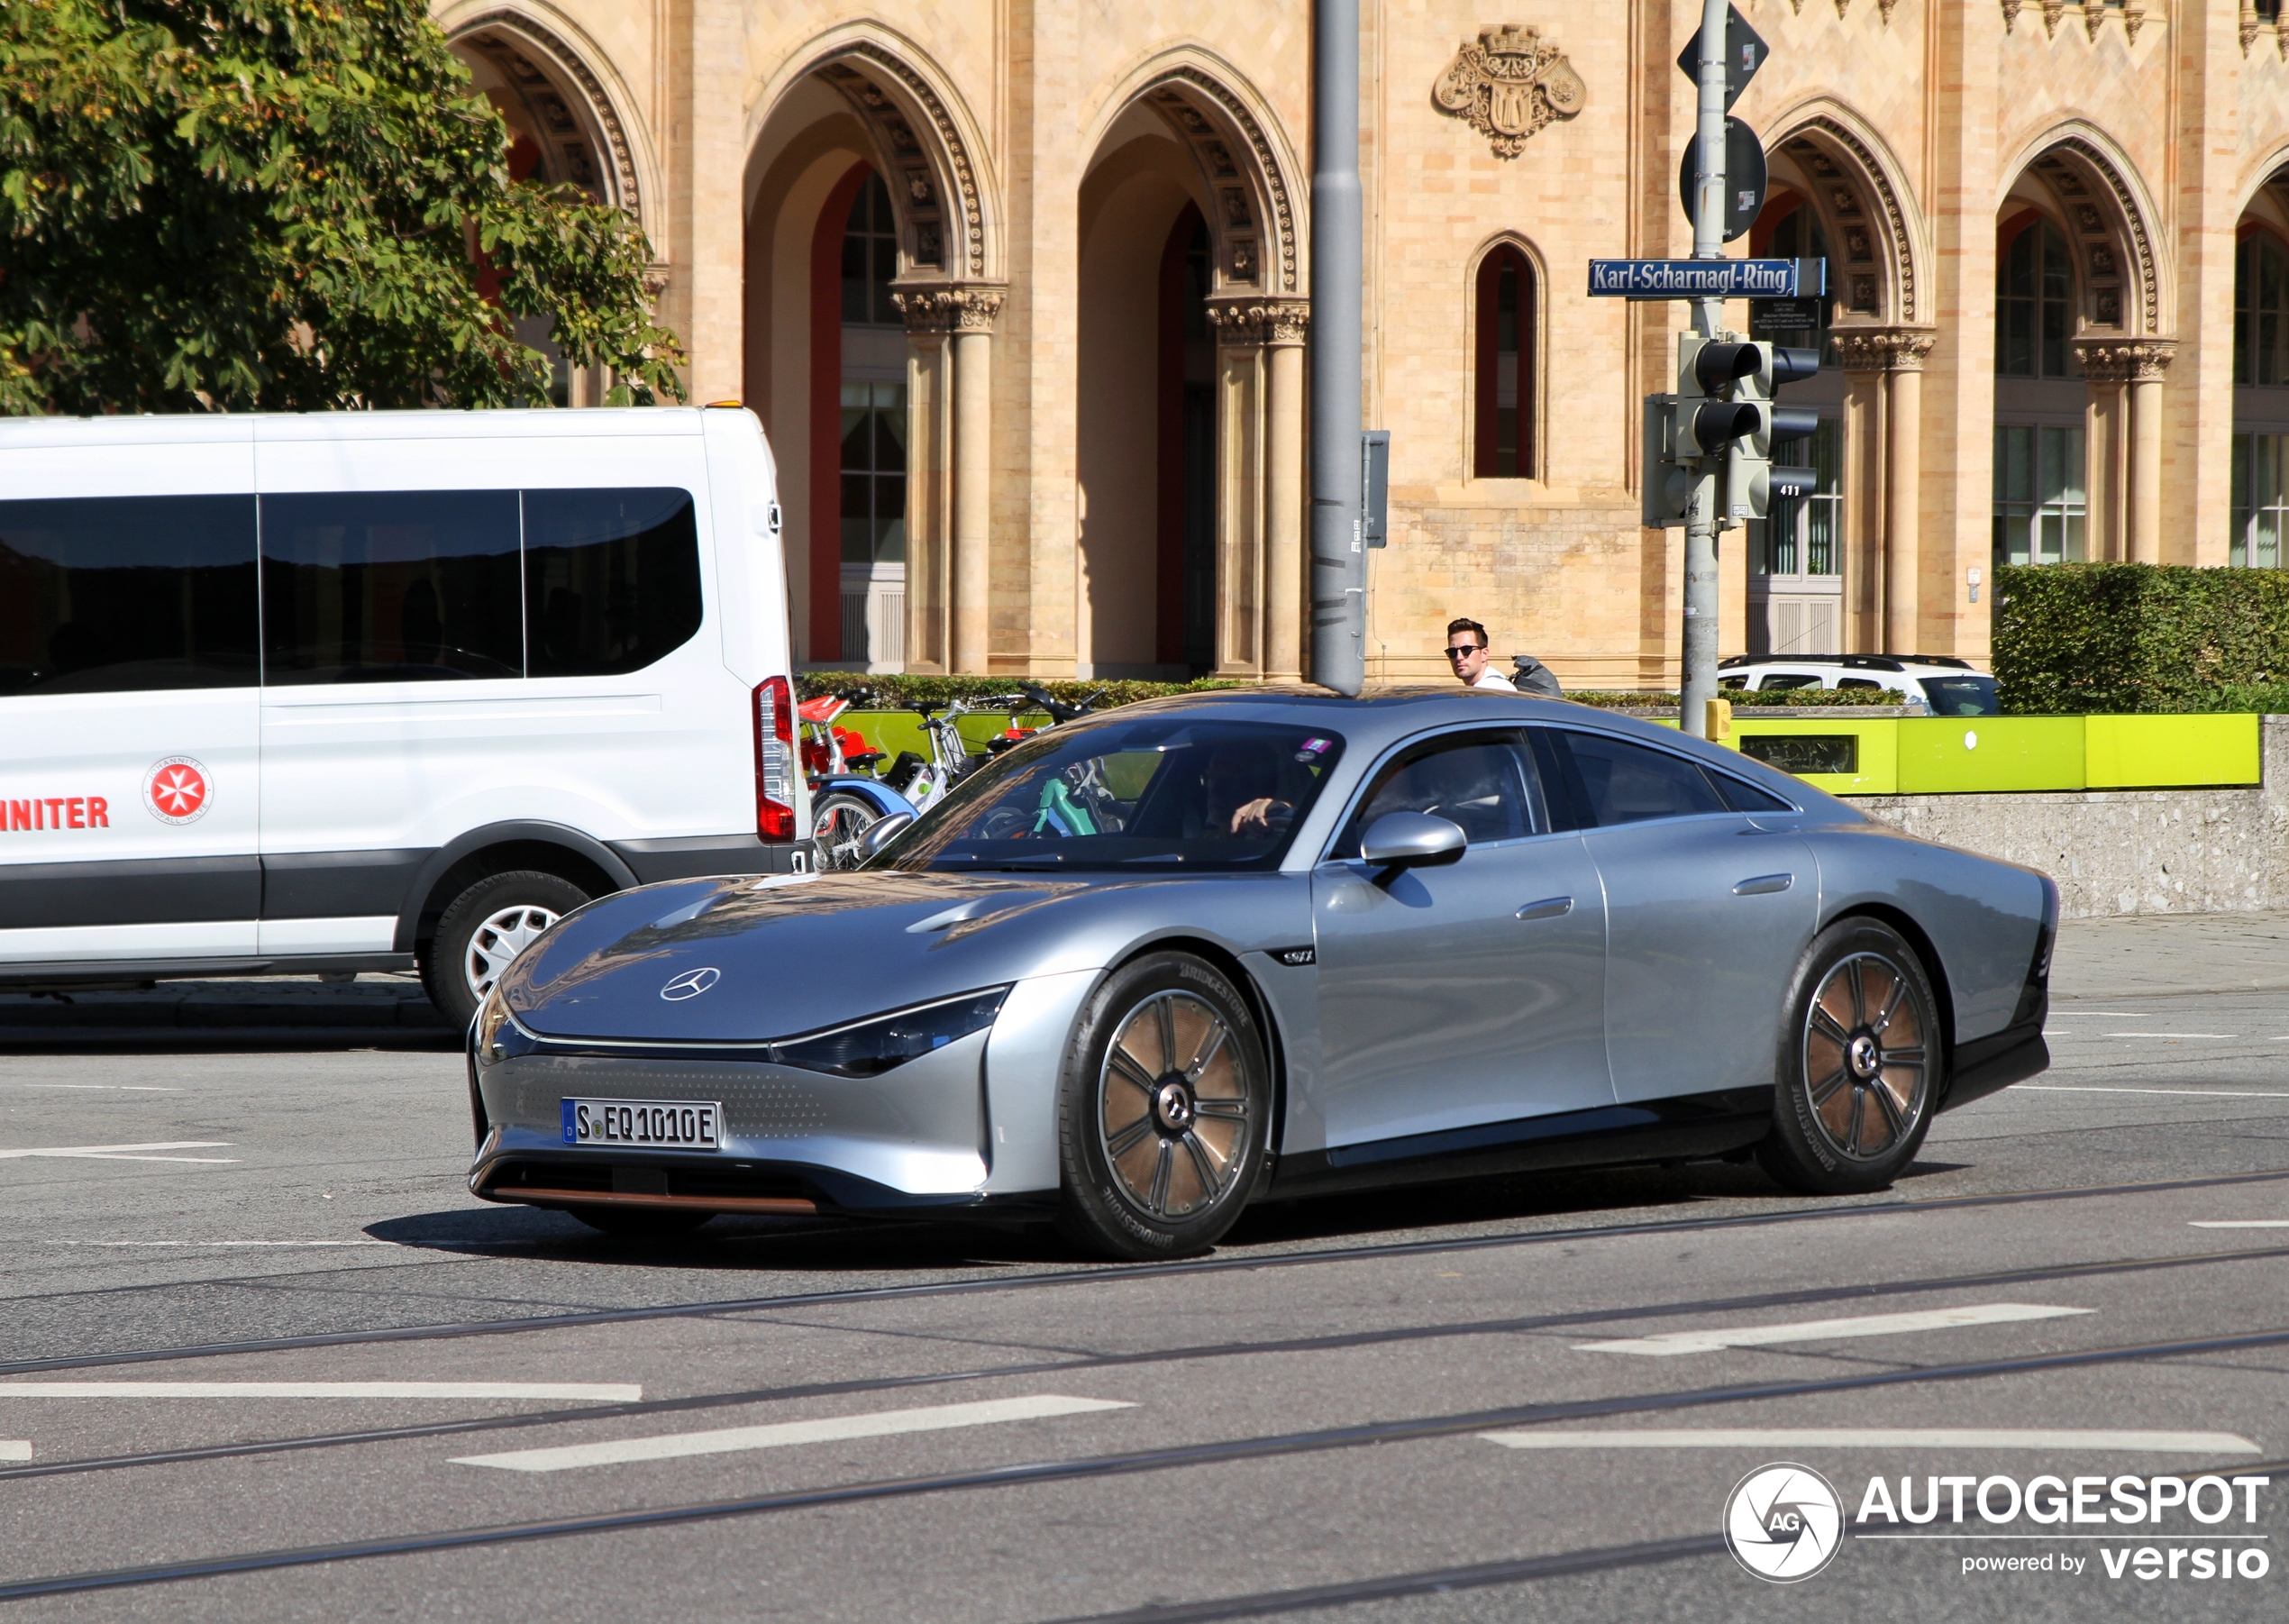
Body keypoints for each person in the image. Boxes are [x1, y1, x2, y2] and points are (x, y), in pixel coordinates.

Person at [1445, 616, 1562, 698]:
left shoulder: (1490, 690)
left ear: (1484, 654)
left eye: (1466, 650)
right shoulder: (1484, 688)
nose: (1459, 657)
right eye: (1452, 652)